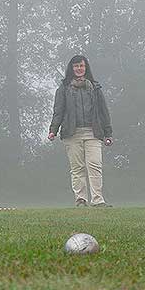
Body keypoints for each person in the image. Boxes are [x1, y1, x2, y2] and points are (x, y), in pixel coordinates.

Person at [48, 55, 113, 207]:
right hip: (72, 133)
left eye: (81, 66)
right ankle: (81, 199)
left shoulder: (95, 87)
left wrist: (108, 133)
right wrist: (53, 130)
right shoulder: (63, 88)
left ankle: (98, 200)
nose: (79, 69)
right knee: (77, 168)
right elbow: (58, 111)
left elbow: (104, 111)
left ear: (86, 68)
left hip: (93, 133)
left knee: (94, 165)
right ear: (72, 68)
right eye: (76, 66)